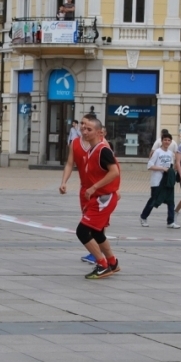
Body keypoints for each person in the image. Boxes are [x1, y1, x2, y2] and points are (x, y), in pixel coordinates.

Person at [60, 114, 121, 279]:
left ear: (99, 132)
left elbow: (114, 171)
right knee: (97, 232)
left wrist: (96, 187)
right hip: (94, 195)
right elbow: (71, 164)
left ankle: (102, 264)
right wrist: (65, 182)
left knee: (82, 231)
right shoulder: (87, 148)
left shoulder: (103, 149)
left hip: (103, 197)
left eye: (89, 129)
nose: (84, 131)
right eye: (83, 128)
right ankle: (112, 262)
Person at [140, 131, 179, 229]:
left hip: (167, 181)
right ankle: (143, 217)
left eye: (169, 140)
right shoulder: (157, 152)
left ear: (171, 142)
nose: (167, 142)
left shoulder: (170, 153)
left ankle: (170, 221)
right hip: (157, 181)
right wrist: (162, 168)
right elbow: (150, 165)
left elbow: (170, 166)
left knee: (171, 201)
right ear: (162, 141)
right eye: (165, 140)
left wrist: (173, 170)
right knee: (153, 200)